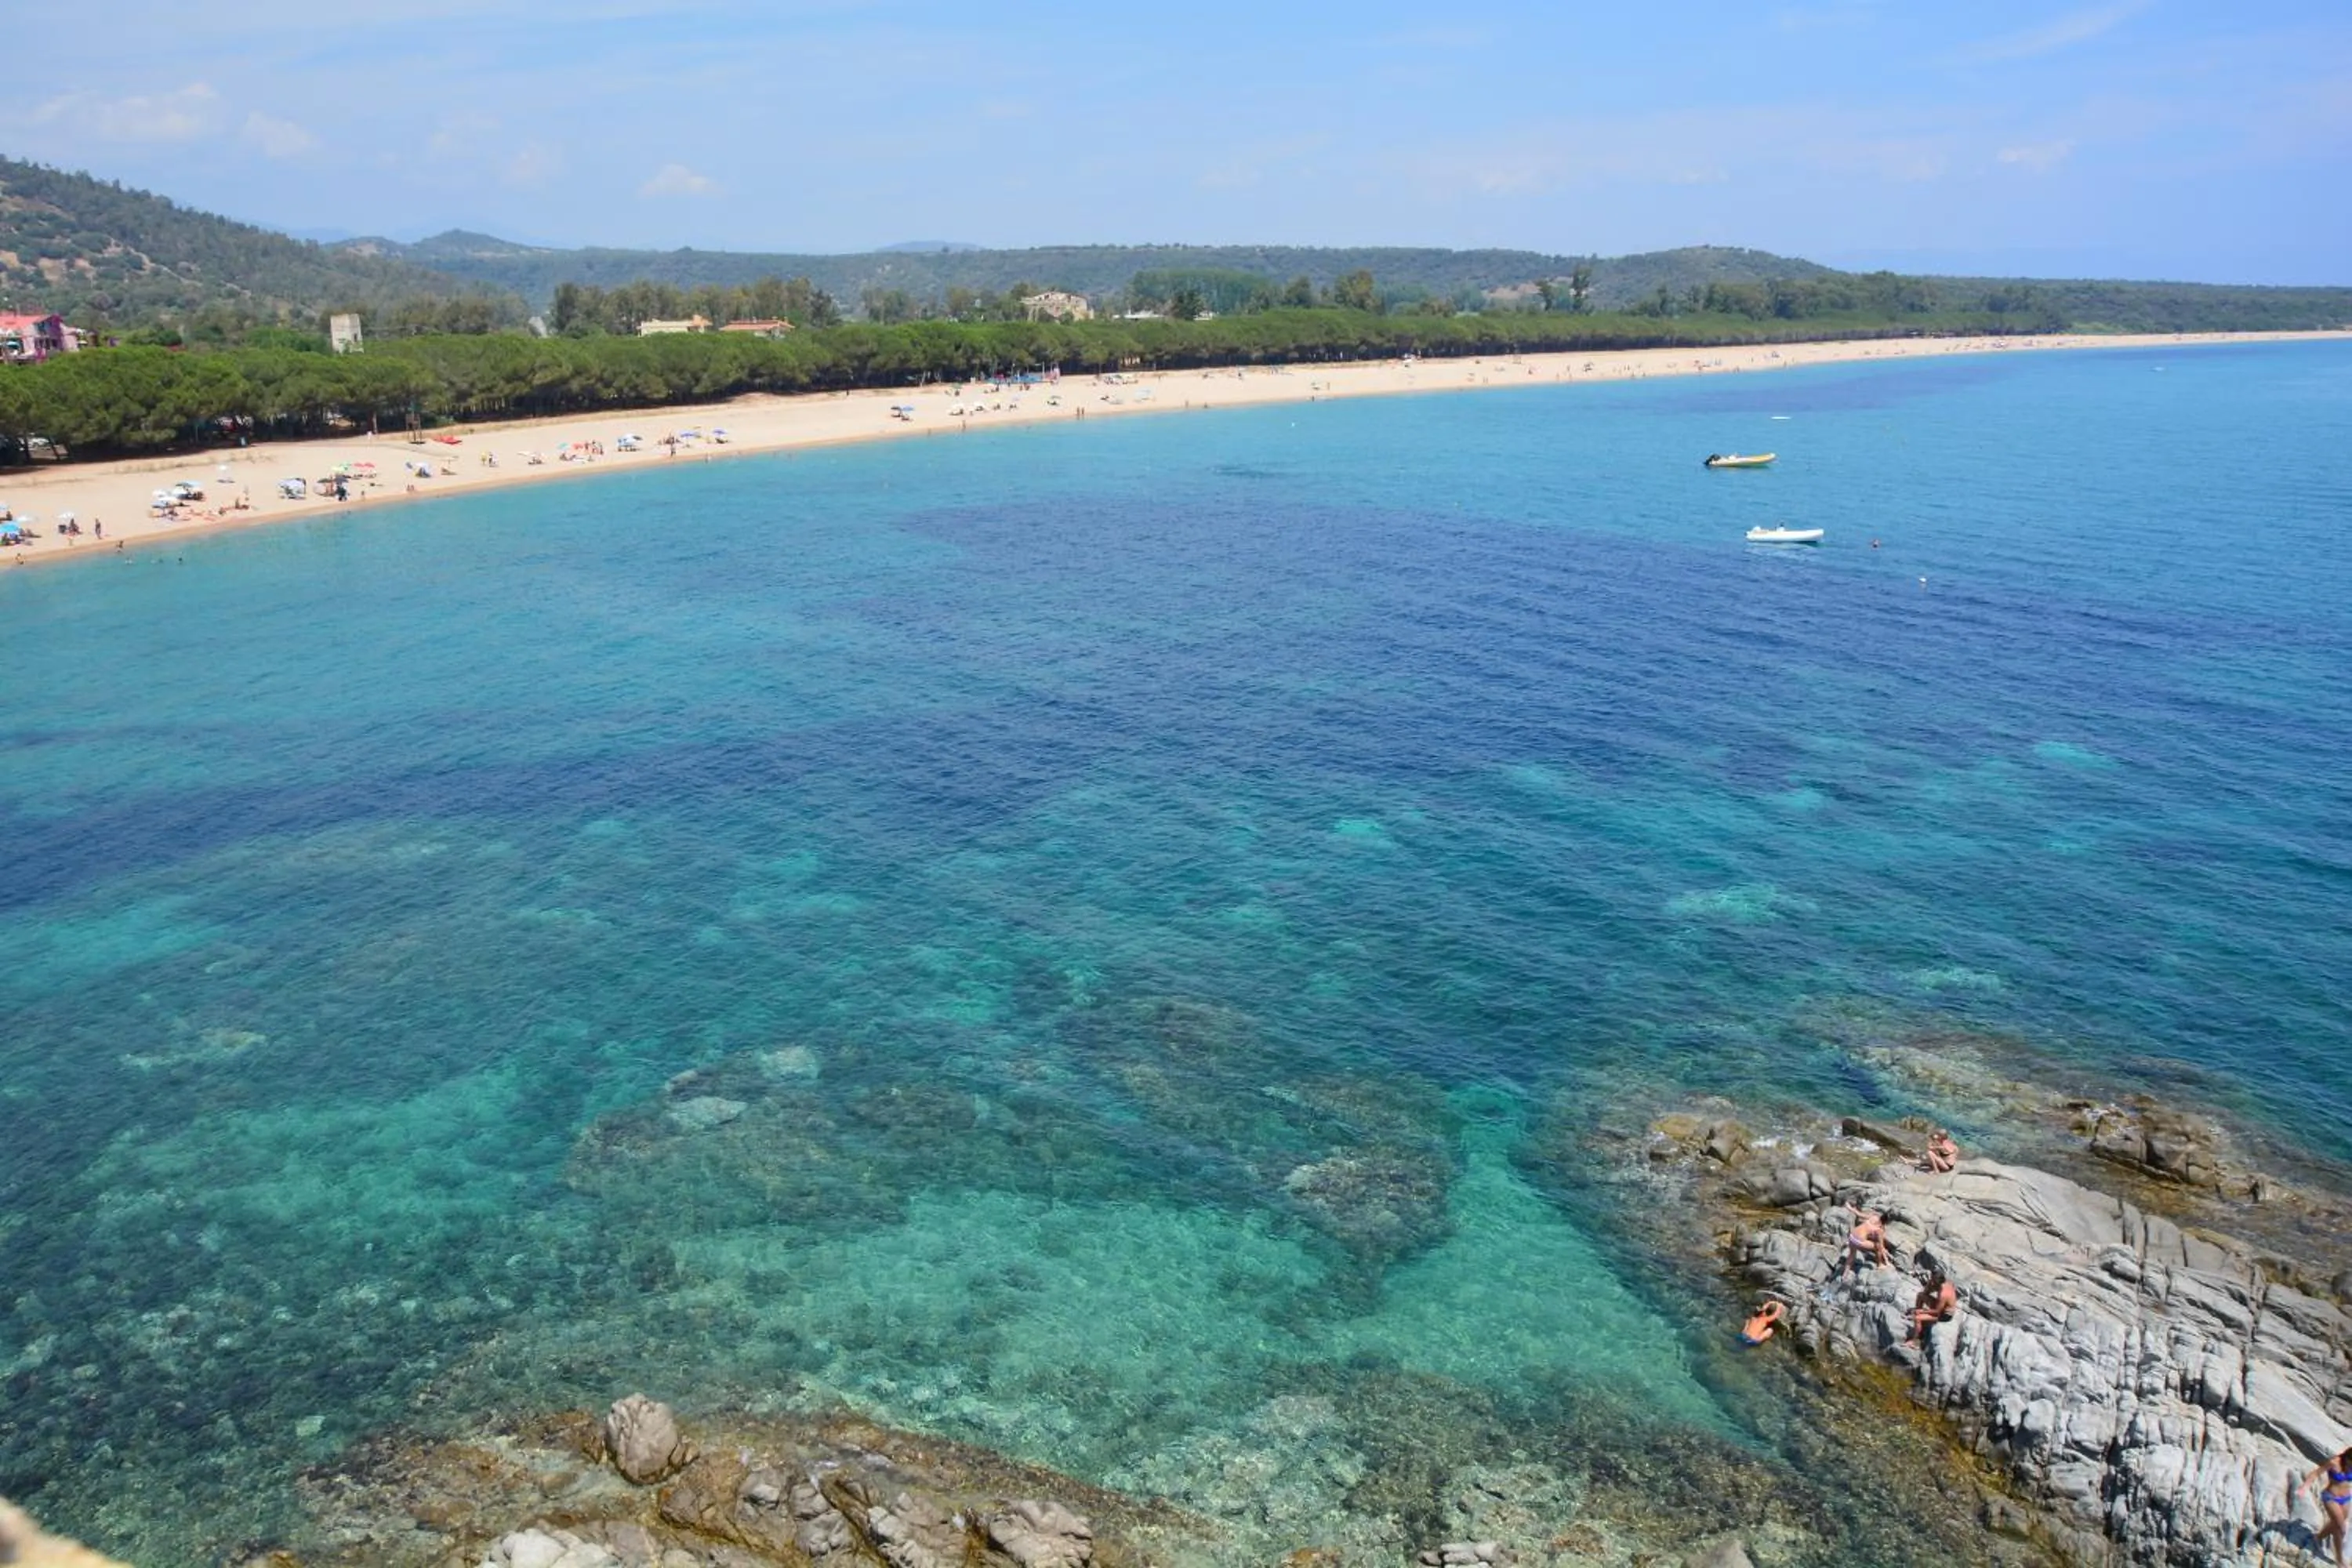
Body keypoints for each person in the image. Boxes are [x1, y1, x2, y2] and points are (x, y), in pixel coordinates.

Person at [2298, 1447, 2352, 1566]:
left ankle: (2318, 1538)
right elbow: (2315, 1473)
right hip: (2331, 1498)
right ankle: (2339, 1559)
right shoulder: (2334, 1463)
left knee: (2335, 1524)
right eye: (2350, 1464)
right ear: (2347, 1458)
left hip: (2346, 1499)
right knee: (2341, 1529)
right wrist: (2304, 1487)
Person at [1905, 1270, 1958, 1343]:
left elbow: (1937, 1312)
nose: (1931, 1282)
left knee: (1918, 1318)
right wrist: (1929, 1285)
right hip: (1939, 1306)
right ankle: (1919, 1316)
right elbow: (1926, 1293)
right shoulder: (1942, 1283)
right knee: (1921, 1295)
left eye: (1933, 1280)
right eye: (1931, 1279)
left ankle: (1915, 1341)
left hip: (1944, 1315)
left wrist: (1922, 1311)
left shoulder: (1943, 1294)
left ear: (1938, 1282)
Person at [1843, 1207, 1890, 1277]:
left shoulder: (1874, 1217)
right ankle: (1879, 1265)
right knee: (1877, 1247)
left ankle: (1845, 1274)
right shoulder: (1880, 1230)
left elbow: (1859, 1214)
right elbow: (1881, 1247)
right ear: (1886, 1222)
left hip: (1852, 1236)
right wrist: (1887, 1261)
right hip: (1858, 1241)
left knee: (1852, 1255)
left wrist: (1850, 1208)